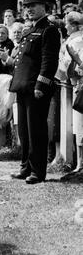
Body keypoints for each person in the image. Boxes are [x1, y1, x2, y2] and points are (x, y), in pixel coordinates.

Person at [9, 0, 60, 184]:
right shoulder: (28, 29)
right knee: (24, 131)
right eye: (27, 6)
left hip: (36, 89)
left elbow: (49, 62)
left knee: (36, 131)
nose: (29, 9)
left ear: (44, 7)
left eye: (34, 5)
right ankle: (25, 167)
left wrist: (41, 85)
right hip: (23, 87)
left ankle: (38, 171)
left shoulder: (49, 30)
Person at [56, 11, 83, 171]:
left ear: (74, 25)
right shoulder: (73, 39)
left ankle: (80, 163)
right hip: (74, 84)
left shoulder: (76, 41)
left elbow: (66, 65)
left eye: (67, 23)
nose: (65, 26)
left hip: (78, 86)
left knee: (80, 125)